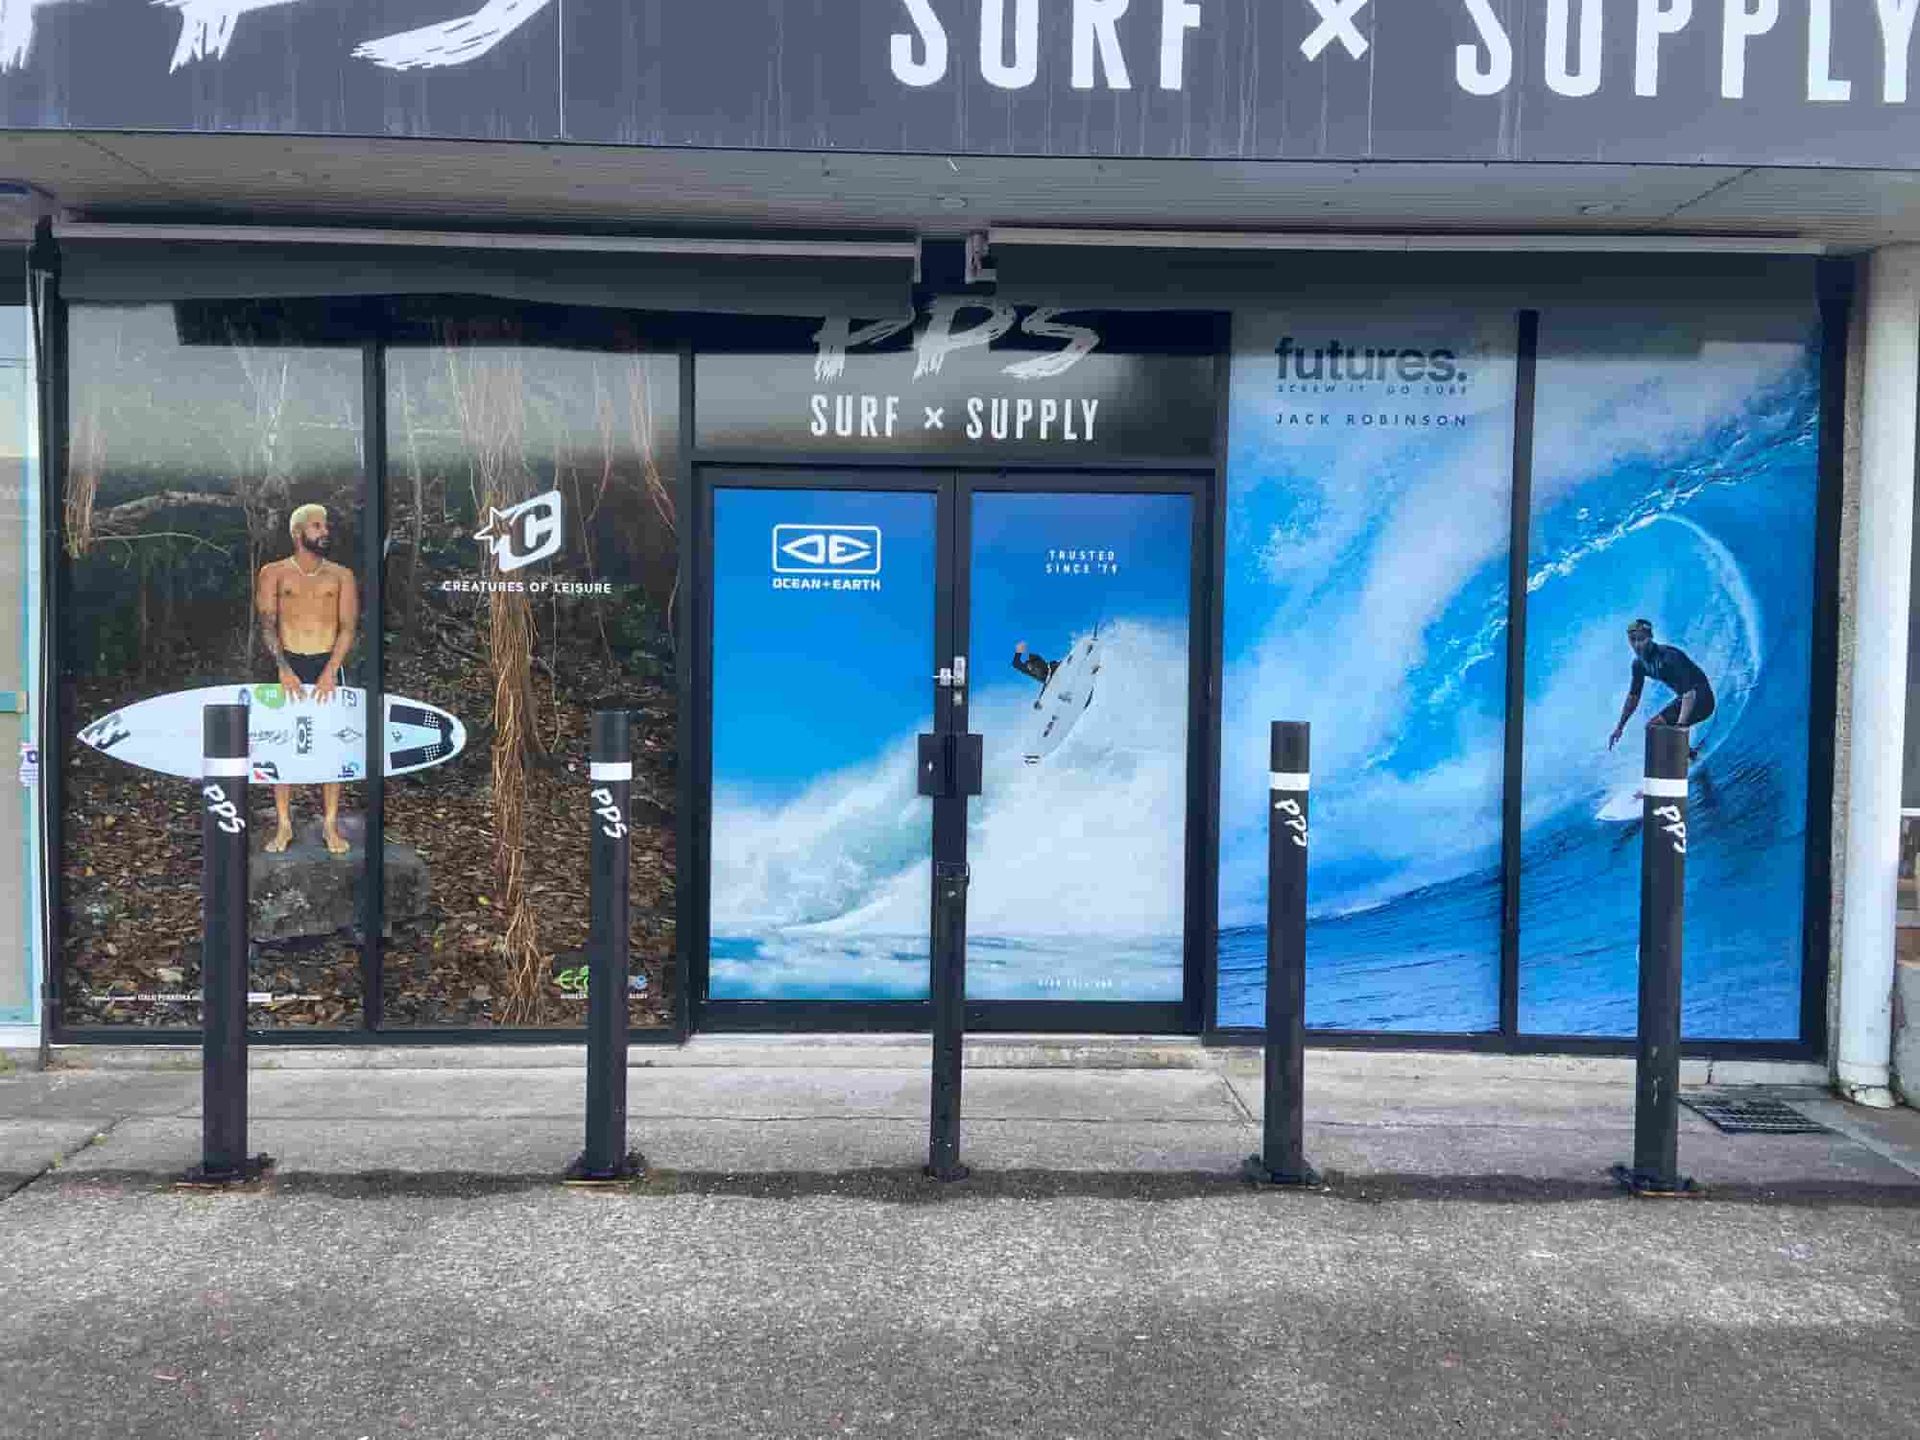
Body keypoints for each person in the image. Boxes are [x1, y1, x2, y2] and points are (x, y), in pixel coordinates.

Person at [255, 503, 359, 856]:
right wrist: (283, 668)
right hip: (289, 664)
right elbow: (268, 624)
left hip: (328, 664)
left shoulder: (342, 575)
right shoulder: (273, 573)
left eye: (325, 525)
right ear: (298, 532)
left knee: (333, 741)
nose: (325, 531)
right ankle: (284, 824)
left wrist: (331, 670)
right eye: (317, 526)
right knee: (281, 741)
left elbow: (348, 628)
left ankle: (330, 824)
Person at [1608, 618, 1715, 759]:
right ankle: (1691, 756)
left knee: (1658, 728)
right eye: (1633, 640)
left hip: (1702, 699)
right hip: (1685, 699)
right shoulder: (1639, 665)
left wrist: (1680, 726)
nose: (1637, 644)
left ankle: (1688, 756)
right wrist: (1619, 727)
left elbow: (1689, 693)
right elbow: (1633, 697)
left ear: (1650, 637)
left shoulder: (1669, 657)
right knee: (1654, 728)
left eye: (1641, 639)